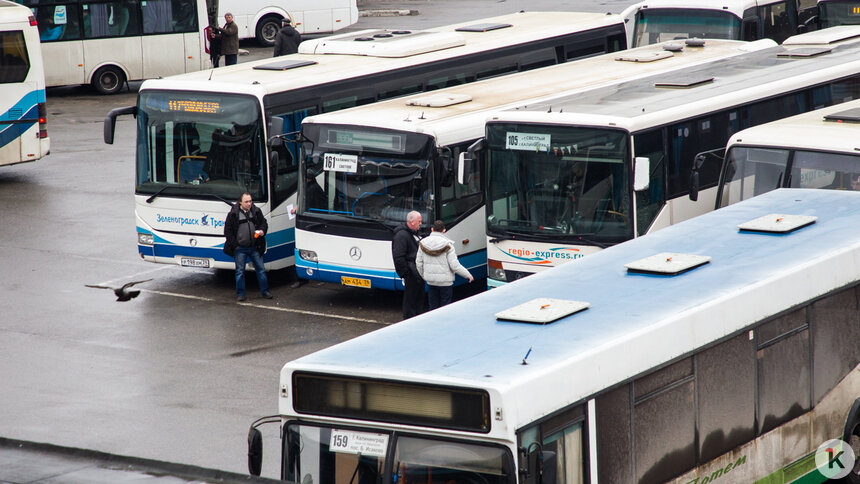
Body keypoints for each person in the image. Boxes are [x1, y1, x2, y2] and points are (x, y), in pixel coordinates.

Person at [224, 192, 273, 301]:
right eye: (246, 201)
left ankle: (265, 292)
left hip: (255, 247)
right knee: (240, 272)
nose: (249, 203)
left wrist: (262, 231)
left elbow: (264, 223)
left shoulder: (256, 211)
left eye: (250, 201)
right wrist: (235, 246)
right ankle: (241, 294)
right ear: (240, 202)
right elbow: (228, 232)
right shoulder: (233, 214)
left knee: (261, 270)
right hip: (240, 248)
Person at [416, 220, 474, 310]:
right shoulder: (448, 245)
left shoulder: (422, 243)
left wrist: (425, 276)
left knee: (433, 306)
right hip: (445, 283)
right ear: (444, 231)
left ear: (432, 229)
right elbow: (454, 265)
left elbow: (419, 263)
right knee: (445, 308)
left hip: (431, 281)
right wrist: (467, 275)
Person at [391, 210, 426, 319]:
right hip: (411, 274)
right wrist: (406, 273)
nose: (421, 223)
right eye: (419, 221)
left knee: (418, 299)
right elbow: (398, 257)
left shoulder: (414, 233)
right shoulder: (401, 236)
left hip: (416, 273)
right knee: (410, 301)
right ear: (411, 222)